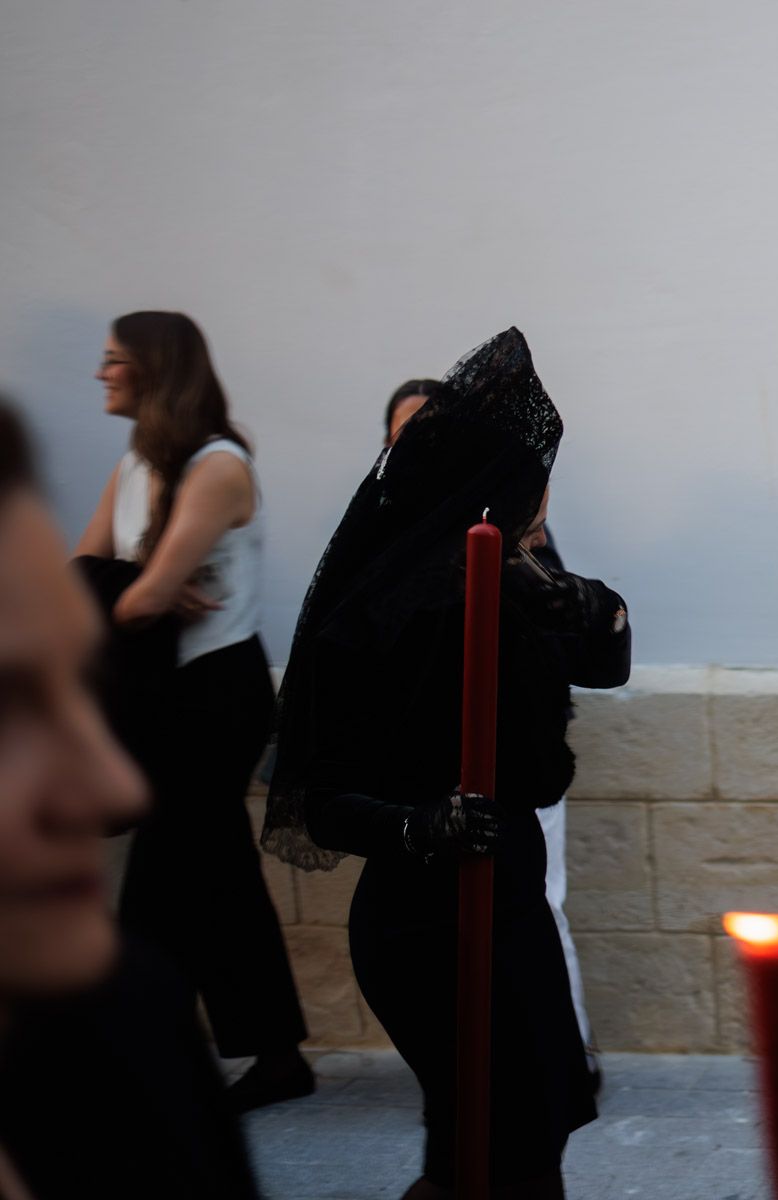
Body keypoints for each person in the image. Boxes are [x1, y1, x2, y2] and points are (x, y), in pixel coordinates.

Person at [265, 329, 629, 1198]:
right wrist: (419, 823)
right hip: (428, 920)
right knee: (485, 1151)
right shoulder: (382, 613)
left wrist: (567, 596)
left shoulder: (521, 574)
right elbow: (317, 802)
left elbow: (606, 661)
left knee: (531, 1136)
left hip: (510, 900)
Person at [0, 398, 261, 1198]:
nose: (107, 785)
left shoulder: (132, 1035)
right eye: (7, 707)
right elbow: (119, 587)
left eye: (77, 683)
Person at [73, 311, 312, 1112]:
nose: (102, 373)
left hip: (215, 695)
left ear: (155, 368)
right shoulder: (137, 460)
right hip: (167, 695)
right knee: (212, 874)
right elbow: (91, 574)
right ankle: (267, 1056)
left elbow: (133, 597)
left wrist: (132, 588)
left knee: (172, 875)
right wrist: (129, 588)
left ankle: (153, 1057)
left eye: (114, 361)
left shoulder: (218, 466)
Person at [383, 375, 600, 1091]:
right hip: (423, 796)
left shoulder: (512, 543)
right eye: (402, 439)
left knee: (539, 905)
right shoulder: (380, 553)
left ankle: (566, 1057)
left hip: (512, 776)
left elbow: (576, 653)